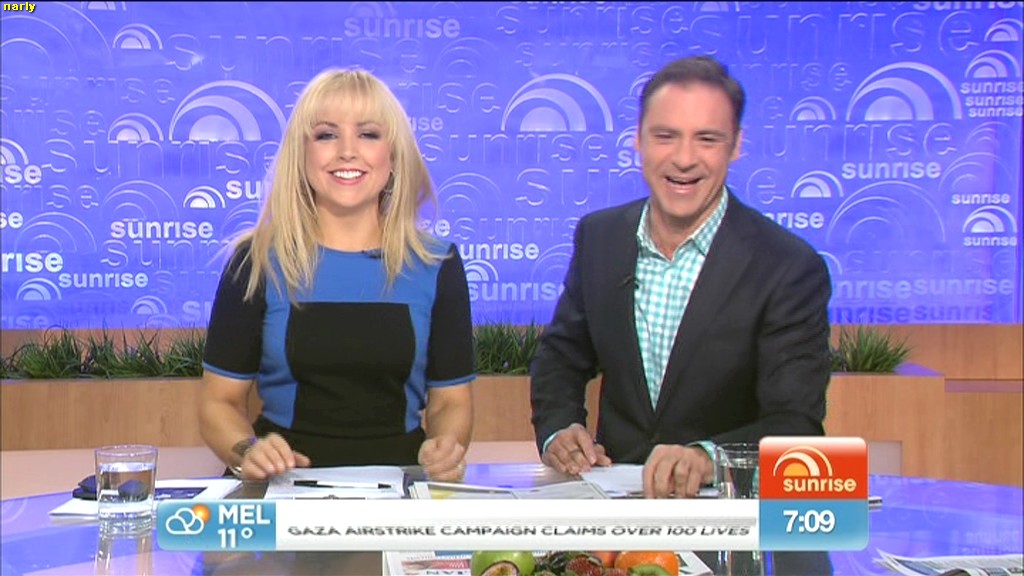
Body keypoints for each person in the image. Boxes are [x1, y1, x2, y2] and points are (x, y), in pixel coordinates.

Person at [530, 56, 833, 499]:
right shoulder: (601, 238)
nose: (684, 159)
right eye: (666, 136)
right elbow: (561, 356)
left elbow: (796, 423)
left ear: (735, 146)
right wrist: (560, 429)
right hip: (617, 510)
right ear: (638, 140)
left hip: (727, 516)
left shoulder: (787, 266)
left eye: (706, 139)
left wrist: (708, 458)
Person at [199, 68, 475, 483]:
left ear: (394, 155)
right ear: (301, 154)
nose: (347, 151)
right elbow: (218, 404)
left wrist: (446, 446)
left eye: (368, 134)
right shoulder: (255, 261)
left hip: (399, 490)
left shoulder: (437, 264)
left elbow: (451, 403)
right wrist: (247, 450)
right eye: (326, 135)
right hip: (282, 492)